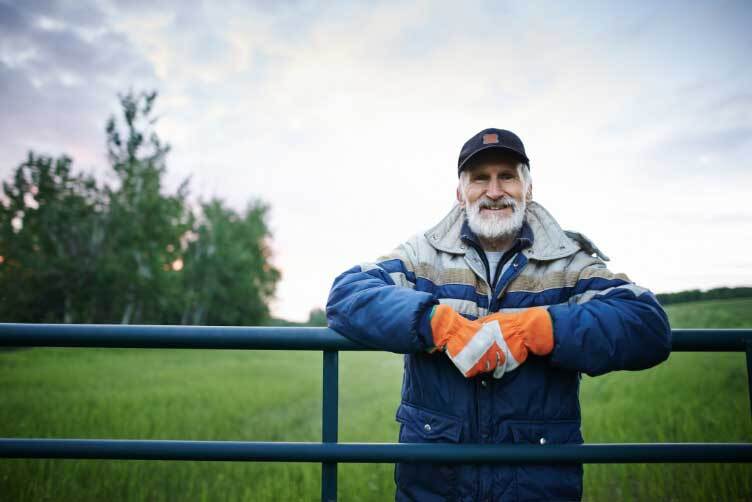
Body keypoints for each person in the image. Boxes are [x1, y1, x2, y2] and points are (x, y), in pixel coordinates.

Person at [325, 127, 672, 502]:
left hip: (537, 487)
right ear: (460, 193)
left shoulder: (569, 261)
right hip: (433, 488)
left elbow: (647, 324)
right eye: (480, 179)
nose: (493, 191)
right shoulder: (422, 255)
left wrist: (540, 328)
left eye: (506, 176)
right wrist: (435, 323)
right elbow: (347, 295)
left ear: (529, 188)